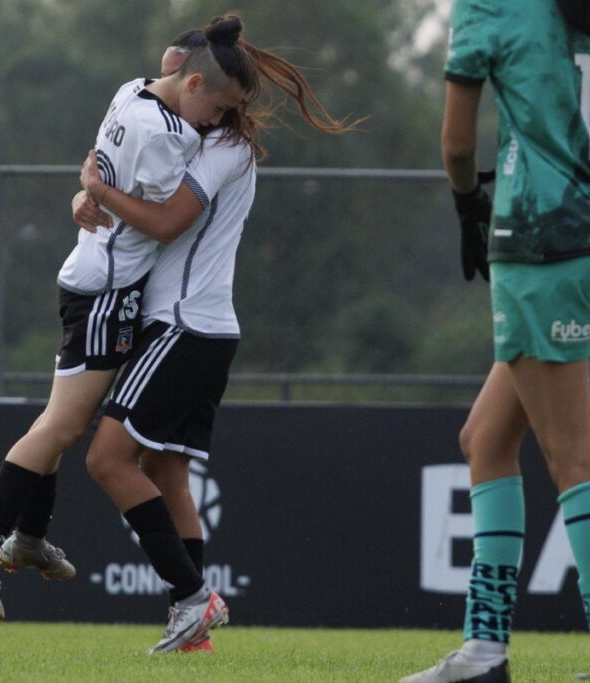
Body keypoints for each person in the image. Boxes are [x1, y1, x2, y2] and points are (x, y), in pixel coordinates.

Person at [0, 16, 250, 621]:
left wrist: (89, 191)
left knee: (60, 425)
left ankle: (26, 540)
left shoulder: (129, 91)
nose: (220, 122)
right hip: (109, 293)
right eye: (220, 107)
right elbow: (162, 221)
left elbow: (106, 166)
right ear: (190, 85)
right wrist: (96, 194)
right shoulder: (172, 138)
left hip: (86, 277)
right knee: (62, 428)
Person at [402, 1, 590, 682]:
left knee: (576, 456)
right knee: (485, 438)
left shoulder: (490, 5)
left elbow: (458, 145)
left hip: (541, 245)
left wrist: (467, 205)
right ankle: (483, 651)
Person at [75, 19, 354, 654]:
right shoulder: (180, 129)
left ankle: (194, 598)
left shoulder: (224, 148)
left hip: (184, 326)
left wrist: (99, 190)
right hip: (197, 329)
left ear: (200, 77)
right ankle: (191, 624)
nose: (168, 87)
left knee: (106, 460)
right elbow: (122, 181)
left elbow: (166, 222)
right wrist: (84, 199)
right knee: (166, 475)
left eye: (187, 83)